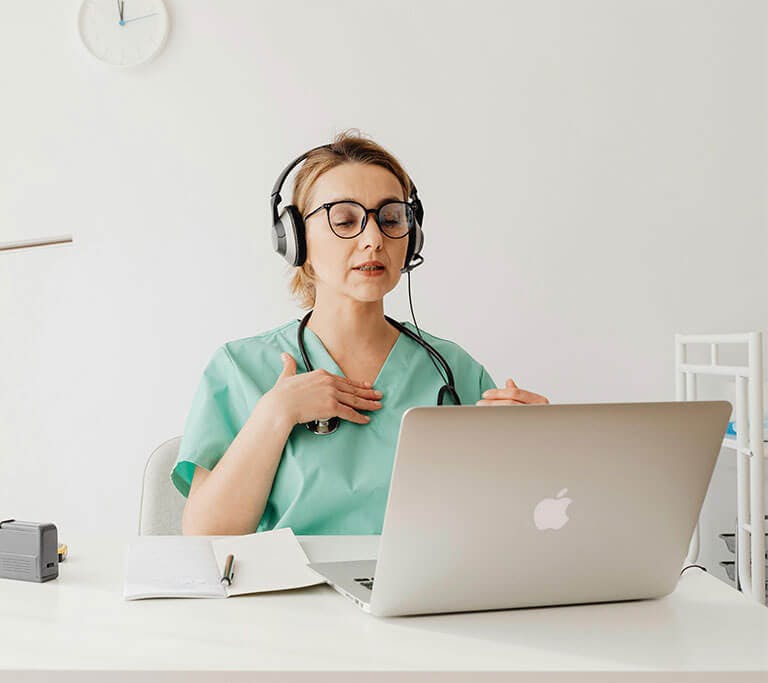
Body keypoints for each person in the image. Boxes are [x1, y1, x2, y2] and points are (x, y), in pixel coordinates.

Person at [172, 129, 549, 536]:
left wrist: (531, 452)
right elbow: (205, 538)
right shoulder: (240, 368)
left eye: (390, 219)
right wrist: (276, 413)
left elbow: (503, 529)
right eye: (345, 220)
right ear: (296, 239)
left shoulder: (454, 370)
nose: (373, 240)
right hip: (286, 597)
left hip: (420, 596)